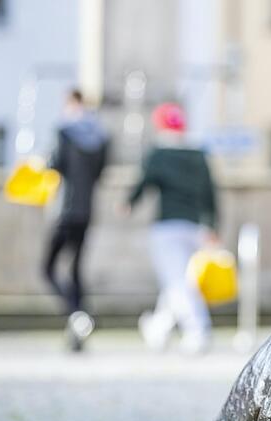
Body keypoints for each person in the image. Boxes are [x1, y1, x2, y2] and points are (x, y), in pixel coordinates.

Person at [123, 102, 218, 354]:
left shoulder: (160, 154)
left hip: (167, 228)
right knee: (177, 281)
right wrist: (211, 225)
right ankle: (158, 328)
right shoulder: (198, 155)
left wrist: (129, 203)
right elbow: (210, 193)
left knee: (177, 282)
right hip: (195, 227)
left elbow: (144, 183)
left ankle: (198, 330)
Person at [43, 89, 108, 352]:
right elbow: (100, 172)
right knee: (76, 269)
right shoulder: (101, 137)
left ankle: (75, 315)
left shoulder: (64, 132)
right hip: (86, 210)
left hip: (64, 211)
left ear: (71, 104)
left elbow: (54, 164)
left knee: (47, 268)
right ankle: (78, 331)